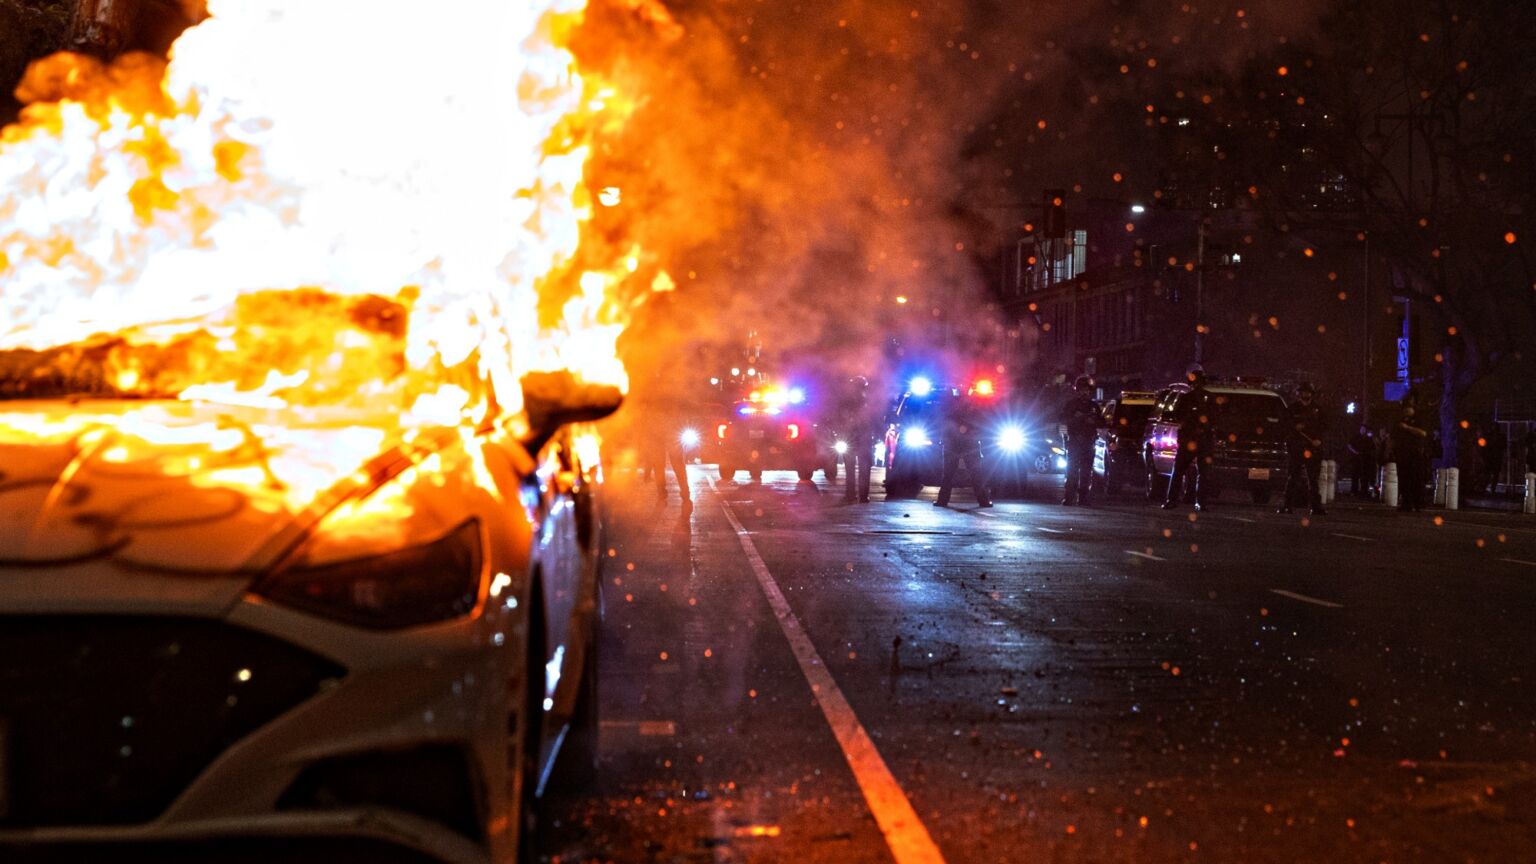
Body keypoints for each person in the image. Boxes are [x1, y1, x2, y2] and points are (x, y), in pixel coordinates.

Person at [1162, 364, 1214, 512]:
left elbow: (1176, 416)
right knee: (1203, 473)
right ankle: (1200, 503)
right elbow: (1216, 419)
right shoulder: (1209, 398)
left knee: (1179, 471)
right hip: (1202, 441)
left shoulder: (1187, 398)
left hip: (1190, 440)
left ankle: (1172, 500)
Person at [934, 396, 992, 508]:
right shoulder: (971, 405)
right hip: (967, 443)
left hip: (954, 442)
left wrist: (943, 438)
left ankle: (942, 501)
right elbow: (978, 423)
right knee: (975, 473)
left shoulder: (950, 404)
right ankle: (983, 501)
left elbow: (944, 422)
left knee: (949, 474)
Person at [1279, 381, 1327, 515]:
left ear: (1311, 394)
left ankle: (1315, 507)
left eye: (1307, 392)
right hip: (1297, 447)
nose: (1305, 395)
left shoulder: (1318, 410)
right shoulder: (1292, 409)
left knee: (1313, 479)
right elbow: (1284, 425)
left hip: (1313, 448)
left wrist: (1319, 440)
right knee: (1293, 477)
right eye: (1303, 392)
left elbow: (1324, 427)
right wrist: (1294, 427)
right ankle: (1287, 505)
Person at [1058, 375, 1099, 505]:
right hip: (1075, 441)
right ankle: (1069, 497)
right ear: (1078, 390)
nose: (1084, 392)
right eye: (1082, 389)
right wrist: (1076, 418)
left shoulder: (1094, 406)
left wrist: (1093, 421)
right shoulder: (1071, 405)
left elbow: (1102, 422)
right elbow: (1062, 419)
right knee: (1072, 470)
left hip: (1089, 441)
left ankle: (1083, 498)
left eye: (1087, 390)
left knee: (1086, 471)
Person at [838, 376, 879, 503]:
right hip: (861, 438)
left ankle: (851, 494)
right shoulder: (867, 402)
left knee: (852, 469)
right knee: (863, 469)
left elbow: (841, 419)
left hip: (855, 438)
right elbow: (874, 420)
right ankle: (862, 496)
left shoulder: (848, 401)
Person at [1392, 400, 1431, 512]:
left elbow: (1423, 433)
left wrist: (1408, 428)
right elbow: (1393, 436)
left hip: (1415, 454)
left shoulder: (1418, 420)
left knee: (1416, 479)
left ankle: (1418, 503)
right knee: (1404, 479)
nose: (1406, 411)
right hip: (1402, 454)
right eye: (1404, 409)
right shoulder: (1399, 422)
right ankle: (1406, 503)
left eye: (1408, 409)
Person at [1347, 423, 1377, 499]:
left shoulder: (1368, 438)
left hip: (1366, 459)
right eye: (1362, 429)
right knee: (1355, 475)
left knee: (1365, 476)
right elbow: (1349, 445)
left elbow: (1373, 447)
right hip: (1357, 458)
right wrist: (1355, 452)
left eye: (1364, 429)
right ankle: (1354, 491)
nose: (1363, 430)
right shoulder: (1356, 437)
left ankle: (1364, 491)